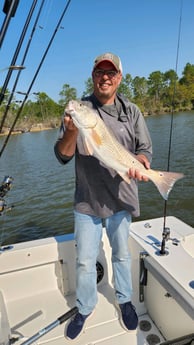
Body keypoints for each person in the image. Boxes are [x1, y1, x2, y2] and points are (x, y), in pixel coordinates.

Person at [54, 52, 152, 340]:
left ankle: (124, 300)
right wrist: (72, 130)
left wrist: (142, 162)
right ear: (93, 76)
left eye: (111, 73)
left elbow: (145, 149)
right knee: (85, 261)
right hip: (87, 202)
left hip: (122, 199)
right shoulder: (81, 111)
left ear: (119, 78)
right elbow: (63, 155)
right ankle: (85, 307)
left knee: (122, 256)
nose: (105, 77)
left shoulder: (131, 112)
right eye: (100, 72)